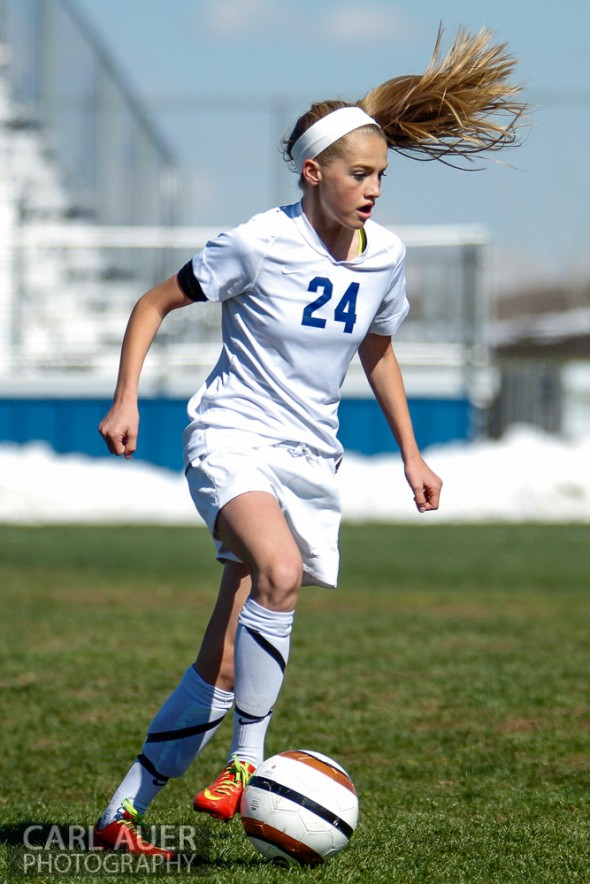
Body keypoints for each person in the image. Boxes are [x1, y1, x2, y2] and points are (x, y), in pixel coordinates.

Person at [93, 26, 525, 856]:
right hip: (232, 439)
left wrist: (411, 453)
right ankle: (248, 767)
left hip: (307, 461)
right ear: (312, 173)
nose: (372, 190)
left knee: (222, 664)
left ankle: (121, 815)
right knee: (279, 572)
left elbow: (377, 348)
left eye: (381, 177)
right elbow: (153, 303)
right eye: (359, 175)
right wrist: (125, 401)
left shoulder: (385, 256)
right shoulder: (259, 241)